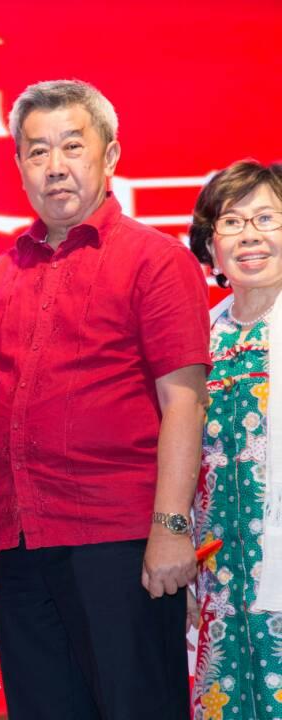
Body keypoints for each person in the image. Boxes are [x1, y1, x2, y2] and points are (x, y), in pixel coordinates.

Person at [0, 79, 211, 720]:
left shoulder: (156, 260)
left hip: (120, 541)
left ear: (111, 154)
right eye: (37, 152)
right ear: (18, 166)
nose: (55, 165)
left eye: (73, 145)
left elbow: (184, 401)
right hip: (21, 544)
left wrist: (171, 527)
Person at [187, 159, 282, 720]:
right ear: (211, 246)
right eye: (232, 221)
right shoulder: (201, 337)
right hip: (219, 574)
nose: (250, 235)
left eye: (266, 217)